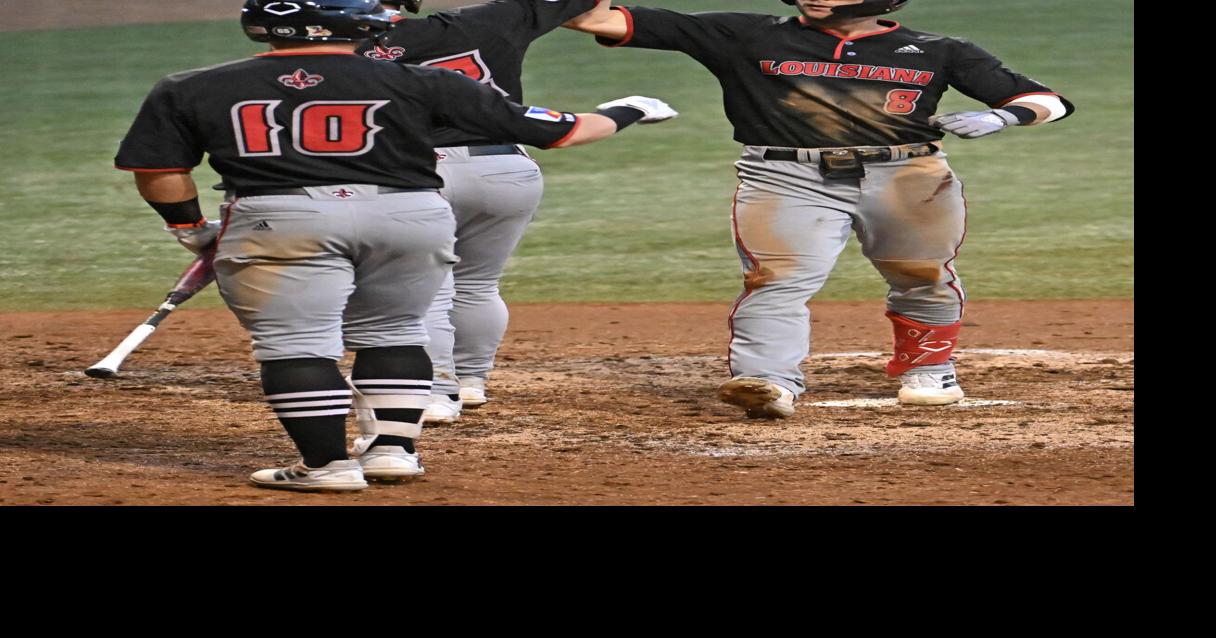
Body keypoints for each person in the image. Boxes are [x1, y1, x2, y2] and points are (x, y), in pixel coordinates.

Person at [113, 0, 676, 491]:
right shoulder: (423, 80)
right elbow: (562, 131)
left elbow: (158, 168)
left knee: (298, 344)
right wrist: (627, 110)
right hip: (409, 216)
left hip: (281, 218)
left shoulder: (193, 86)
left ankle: (327, 464)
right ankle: (393, 453)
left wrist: (189, 227)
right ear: (352, 21)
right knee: (396, 331)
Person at [564, 0, 1073, 418]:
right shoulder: (745, 34)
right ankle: (767, 381)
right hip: (784, 175)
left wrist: (1003, 116)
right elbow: (602, 18)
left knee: (923, 275)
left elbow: (1048, 100)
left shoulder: (941, 51)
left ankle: (928, 366)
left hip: (908, 176)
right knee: (776, 279)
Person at [359, 0, 605, 425]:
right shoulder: (491, 19)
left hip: (414, 172)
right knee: (478, 284)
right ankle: (472, 381)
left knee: (427, 288)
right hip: (504, 168)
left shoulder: (345, 49)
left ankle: (436, 391)